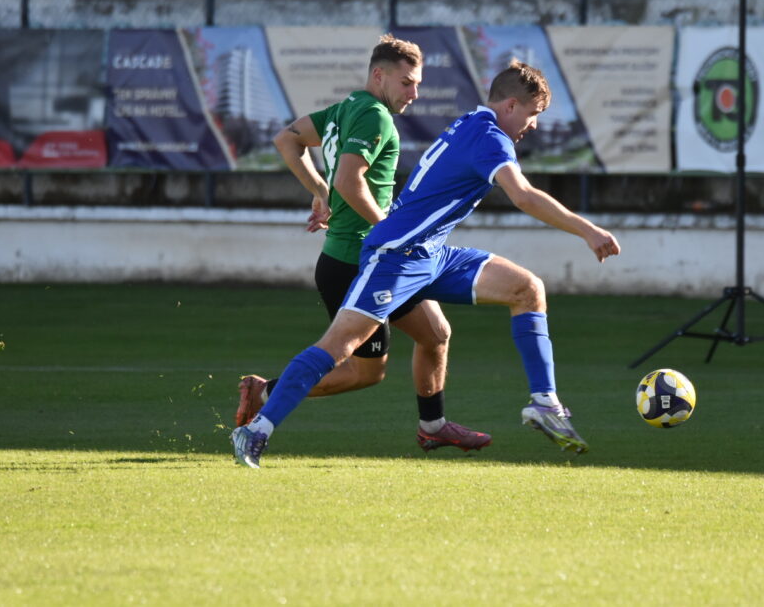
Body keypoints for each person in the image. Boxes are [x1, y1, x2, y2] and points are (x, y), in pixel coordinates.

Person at [232, 59, 621, 468]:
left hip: (431, 254)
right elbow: (522, 196)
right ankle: (255, 430)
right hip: (396, 255)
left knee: (525, 290)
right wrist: (588, 230)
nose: (534, 125)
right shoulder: (490, 137)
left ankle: (540, 403)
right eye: (533, 113)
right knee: (339, 347)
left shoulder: (473, 122)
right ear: (510, 105)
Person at [235, 34, 491, 453]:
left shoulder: (346, 108)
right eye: (406, 83)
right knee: (363, 372)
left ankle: (433, 425)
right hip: (357, 261)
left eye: (417, 84)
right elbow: (349, 181)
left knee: (436, 333)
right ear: (379, 76)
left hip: (374, 258)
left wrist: (319, 192)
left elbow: (287, 139)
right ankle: (264, 395)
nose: (414, 94)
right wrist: (387, 227)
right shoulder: (375, 117)